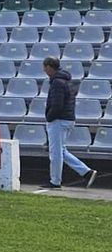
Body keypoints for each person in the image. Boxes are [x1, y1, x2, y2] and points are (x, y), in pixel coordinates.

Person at [43, 56, 96, 190]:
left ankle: (55, 181)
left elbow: (57, 105)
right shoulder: (65, 80)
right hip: (67, 119)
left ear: (49, 67)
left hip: (59, 120)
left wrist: (49, 117)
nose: (44, 70)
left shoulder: (57, 82)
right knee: (62, 151)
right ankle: (86, 172)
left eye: (45, 67)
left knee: (55, 153)